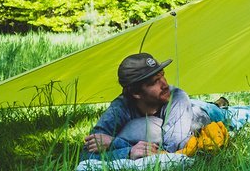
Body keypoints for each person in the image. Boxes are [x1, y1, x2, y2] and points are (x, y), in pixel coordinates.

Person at [81, 52, 234, 161]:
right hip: (186, 109)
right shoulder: (120, 108)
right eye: (154, 82)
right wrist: (128, 152)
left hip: (201, 113)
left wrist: (115, 143)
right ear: (136, 93)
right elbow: (86, 155)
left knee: (232, 115)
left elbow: (171, 150)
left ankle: (227, 106)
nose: (164, 84)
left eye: (162, 75)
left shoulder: (177, 96)